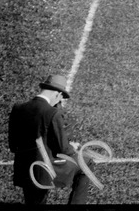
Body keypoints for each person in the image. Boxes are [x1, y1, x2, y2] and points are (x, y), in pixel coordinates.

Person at [8, 73, 90, 204]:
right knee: (87, 161)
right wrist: (72, 147)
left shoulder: (17, 108)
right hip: (45, 170)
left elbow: (13, 145)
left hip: (24, 171)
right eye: (60, 99)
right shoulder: (52, 113)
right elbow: (64, 150)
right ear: (57, 94)